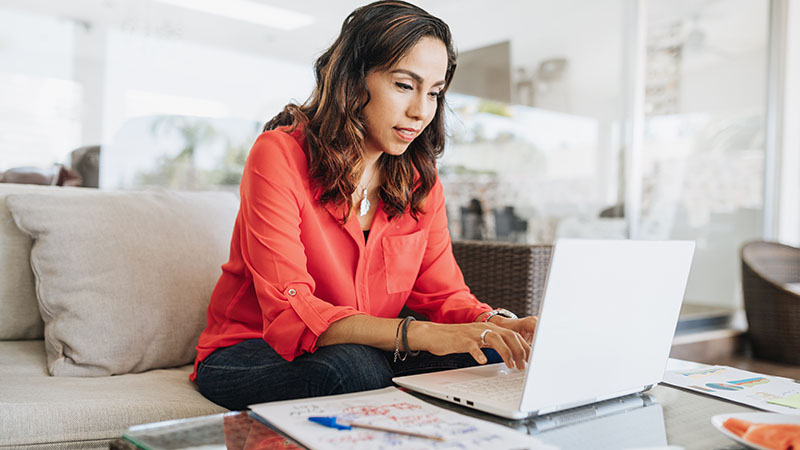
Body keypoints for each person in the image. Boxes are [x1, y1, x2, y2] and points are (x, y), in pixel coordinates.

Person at [192, 0, 538, 411]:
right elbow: (291, 312)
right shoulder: (279, 154)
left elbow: (445, 296)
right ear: (354, 80)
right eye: (404, 85)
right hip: (250, 351)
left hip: (369, 348)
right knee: (356, 369)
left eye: (434, 93)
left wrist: (496, 325)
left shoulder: (419, 183)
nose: (420, 111)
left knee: (497, 354)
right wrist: (423, 336)